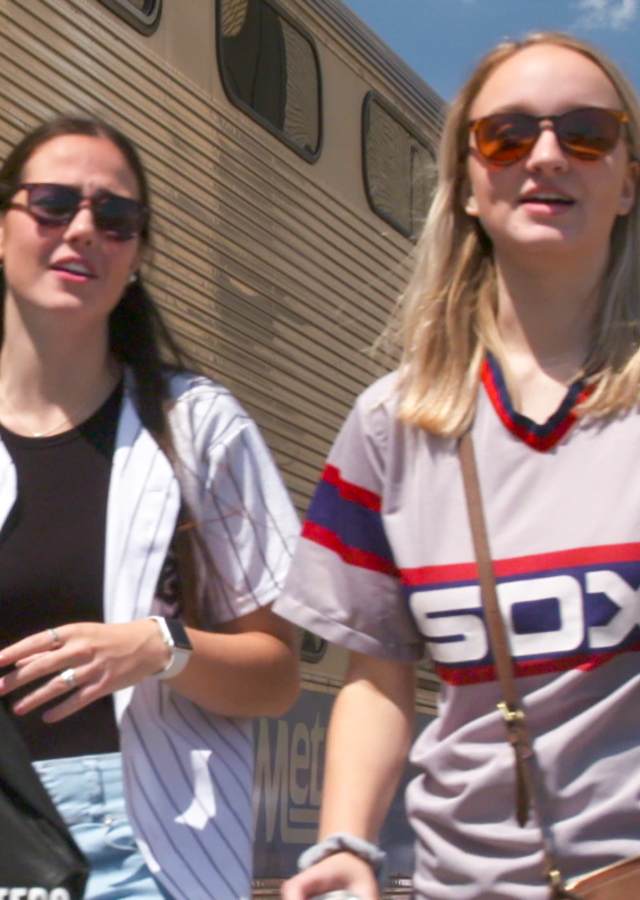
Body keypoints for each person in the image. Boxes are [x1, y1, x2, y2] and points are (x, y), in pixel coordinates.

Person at [273, 30, 640, 900]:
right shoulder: (390, 426)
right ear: (467, 184)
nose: (546, 155)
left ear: (628, 179)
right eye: (507, 135)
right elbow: (376, 674)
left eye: (586, 133)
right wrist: (347, 844)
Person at [0, 115, 300, 900]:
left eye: (116, 216)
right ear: (3, 230)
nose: (84, 229)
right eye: (53, 204)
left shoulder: (199, 427)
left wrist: (157, 647)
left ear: (136, 255)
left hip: (141, 845)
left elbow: (276, 674)